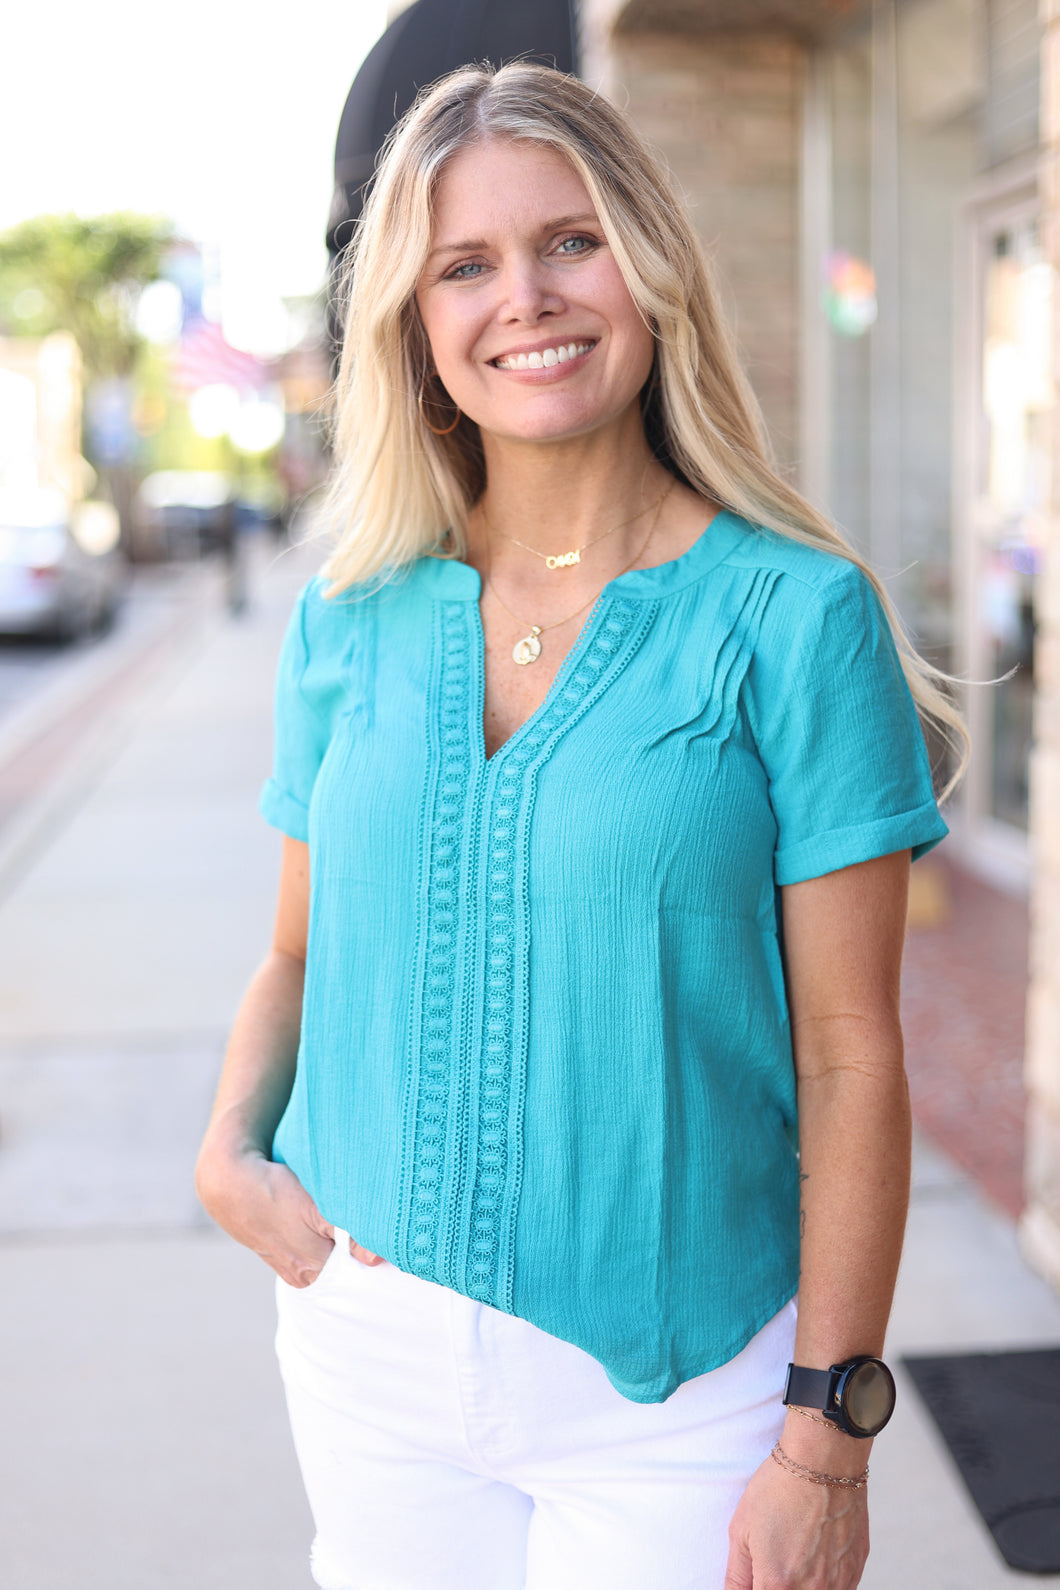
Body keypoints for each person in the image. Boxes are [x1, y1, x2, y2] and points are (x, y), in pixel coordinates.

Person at [195, 61, 965, 1590]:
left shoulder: (798, 620)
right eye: (463, 266)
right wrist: (230, 1143)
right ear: (414, 326)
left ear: (651, 263)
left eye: (569, 240)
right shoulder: (350, 614)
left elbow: (850, 1052)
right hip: (368, 1357)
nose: (524, 299)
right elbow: (296, 948)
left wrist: (827, 1440)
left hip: (682, 1398)